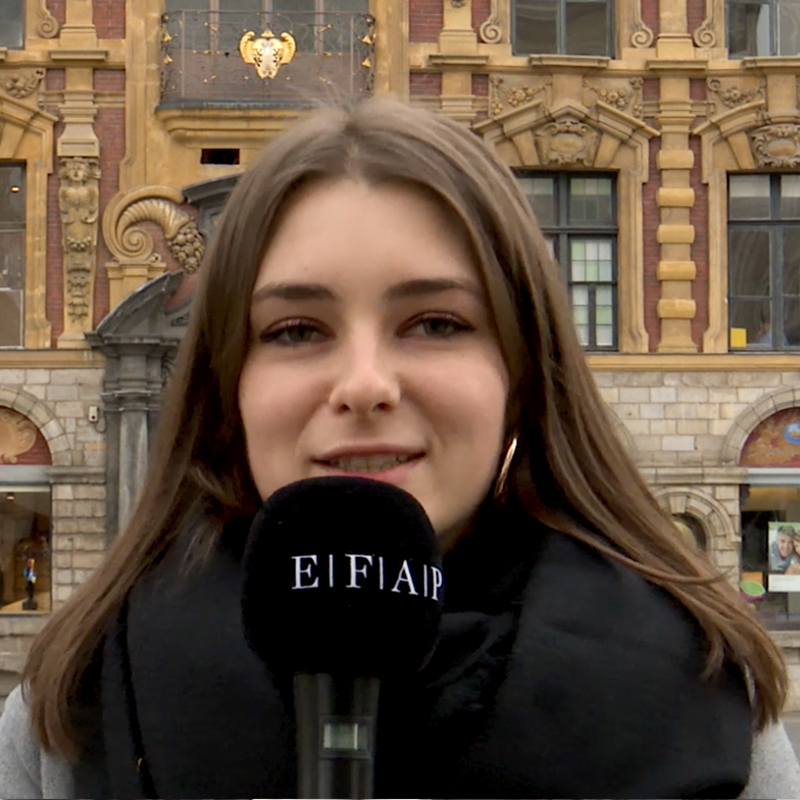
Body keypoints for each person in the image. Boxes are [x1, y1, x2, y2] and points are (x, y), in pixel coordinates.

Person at [0, 98, 798, 799]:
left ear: (521, 373)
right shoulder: (70, 707)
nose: (365, 383)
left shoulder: (702, 689)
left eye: (437, 323)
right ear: (226, 385)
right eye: (297, 330)